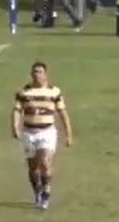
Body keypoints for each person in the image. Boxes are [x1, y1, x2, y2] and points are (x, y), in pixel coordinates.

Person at [11, 61, 73, 211]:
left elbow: (62, 113)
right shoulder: (24, 92)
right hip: (29, 133)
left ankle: (46, 191)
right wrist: (15, 126)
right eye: (34, 72)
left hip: (47, 132)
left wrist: (68, 133)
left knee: (45, 163)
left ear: (46, 74)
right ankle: (37, 193)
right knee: (33, 167)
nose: (36, 74)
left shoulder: (54, 92)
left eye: (39, 72)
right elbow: (17, 111)